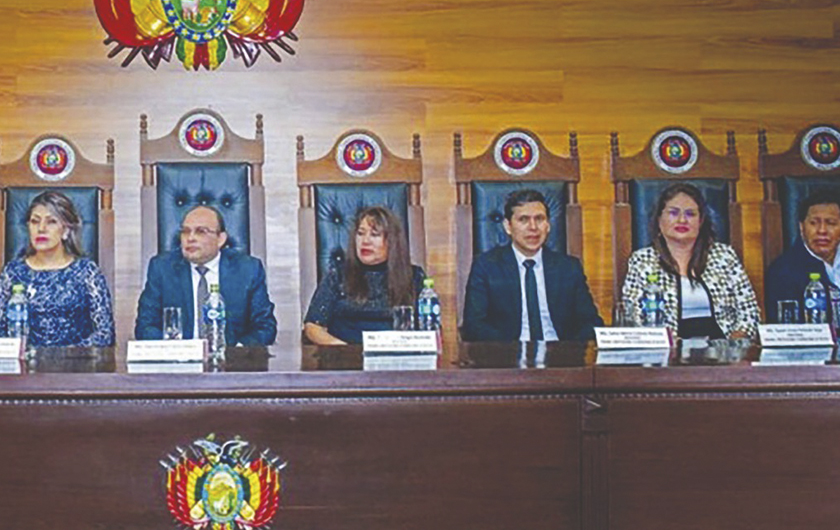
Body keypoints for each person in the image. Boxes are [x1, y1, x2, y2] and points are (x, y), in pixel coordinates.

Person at [620, 182, 759, 338]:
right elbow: (634, 316)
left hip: (723, 349)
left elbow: (749, 311)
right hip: (667, 353)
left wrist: (735, 343)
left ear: (700, 221)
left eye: (690, 214)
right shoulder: (642, 261)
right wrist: (667, 343)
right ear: (659, 220)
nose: (682, 220)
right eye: (673, 213)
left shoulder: (724, 256)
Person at [461, 189, 602, 342]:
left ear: (548, 225)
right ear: (508, 226)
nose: (533, 227)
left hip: (561, 356)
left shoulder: (568, 268)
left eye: (539, 219)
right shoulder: (487, 266)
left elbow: (591, 322)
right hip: (507, 357)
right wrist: (510, 352)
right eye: (523, 220)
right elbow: (474, 325)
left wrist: (570, 352)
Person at [135, 205, 277, 345]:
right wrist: (175, 349)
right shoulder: (162, 268)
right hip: (178, 362)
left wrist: (237, 353)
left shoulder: (248, 270)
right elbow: (145, 326)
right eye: (185, 231)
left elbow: (265, 327)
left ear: (220, 239)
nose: (190, 238)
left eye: (201, 231)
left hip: (232, 363)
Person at [0, 191, 114, 347]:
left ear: (66, 230)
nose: (41, 229)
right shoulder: (12, 273)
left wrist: (59, 357)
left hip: (76, 366)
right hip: (23, 366)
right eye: (35, 221)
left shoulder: (87, 272)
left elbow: (105, 334)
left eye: (51, 222)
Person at [304, 206, 426, 345]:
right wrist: (343, 350)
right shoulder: (337, 274)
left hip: (396, 359)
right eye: (360, 233)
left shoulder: (413, 276)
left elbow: (429, 327)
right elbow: (313, 326)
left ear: (392, 241)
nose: (365, 241)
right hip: (345, 359)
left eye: (374, 235)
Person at [765, 190, 840, 322]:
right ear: (801, 227)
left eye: (831, 223)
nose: (822, 231)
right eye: (814, 223)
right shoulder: (782, 272)